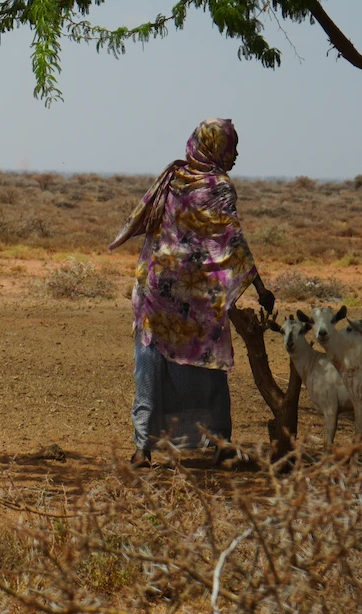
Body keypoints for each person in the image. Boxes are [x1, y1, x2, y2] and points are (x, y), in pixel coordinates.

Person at [110, 118, 275, 467]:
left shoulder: (172, 177)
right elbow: (233, 240)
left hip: (156, 288)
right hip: (196, 296)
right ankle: (221, 445)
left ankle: (143, 449)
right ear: (215, 147)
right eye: (232, 146)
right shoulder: (220, 187)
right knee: (209, 364)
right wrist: (259, 288)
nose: (236, 154)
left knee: (150, 366)